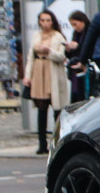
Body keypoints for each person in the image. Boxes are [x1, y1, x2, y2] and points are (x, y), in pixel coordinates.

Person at [21, 9, 70, 154]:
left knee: (57, 109)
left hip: (52, 72)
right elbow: (31, 56)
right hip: (38, 71)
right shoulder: (37, 35)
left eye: (48, 20)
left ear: (53, 21)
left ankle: (57, 143)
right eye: (42, 20)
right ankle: (42, 143)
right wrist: (27, 76)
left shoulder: (58, 36)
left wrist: (49, 51)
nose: (45, 23)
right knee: (41, 109)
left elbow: (62, 57)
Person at [65, 11, 92, 102]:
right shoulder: (76, 34)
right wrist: (68, 50)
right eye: (72, 25)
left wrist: (78, 46)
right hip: (76, 68)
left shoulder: (90, 32)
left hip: (87, 68)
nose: (74, 27)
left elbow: (90, 48)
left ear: (82, 21)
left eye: (75, 24)